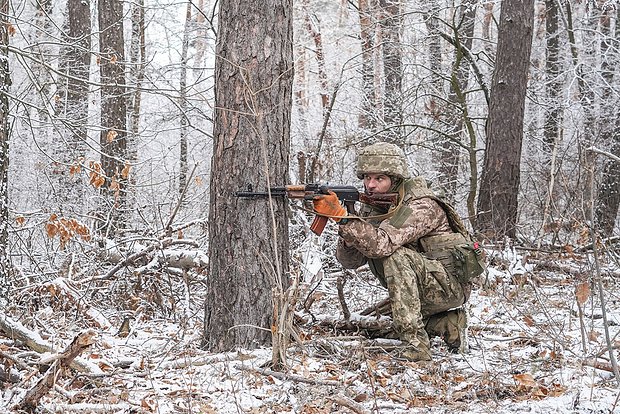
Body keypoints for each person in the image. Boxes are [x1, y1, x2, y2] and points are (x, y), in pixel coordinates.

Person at [312, 142, 484, 361]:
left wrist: (344, 219)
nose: (370, 185)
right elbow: (350, 261)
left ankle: (416, 347)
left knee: (394, 255)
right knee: (368, 325)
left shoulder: (420, 205)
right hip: (419, 289)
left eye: (379, 179)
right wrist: (348, 228)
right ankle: (448, 324)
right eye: (367, 178)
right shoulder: (376, 206)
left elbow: (381, 245)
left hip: (448, 287)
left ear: (396, 179)